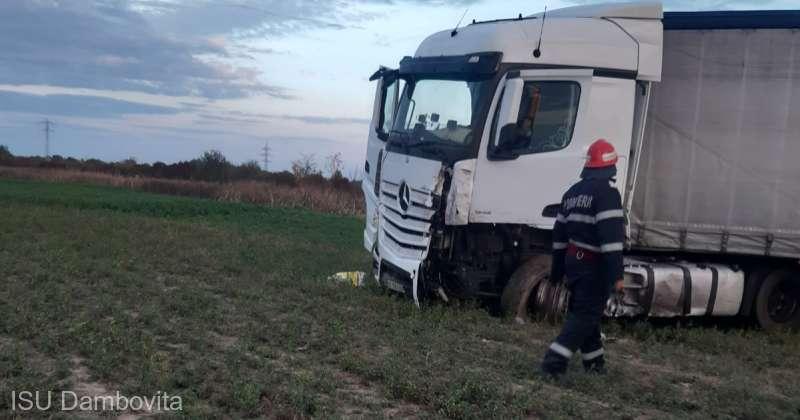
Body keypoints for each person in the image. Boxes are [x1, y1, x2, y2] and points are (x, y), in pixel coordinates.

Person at [540, 139, 626, 378]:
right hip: (594, 267)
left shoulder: (571, 194)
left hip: (573, 263)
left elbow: (559, 238)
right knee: (585, 316)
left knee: (588, 314)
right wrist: (617, 276)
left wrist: (557, 272)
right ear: (611, 167)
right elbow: (611, 241)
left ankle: (595, 366)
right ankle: (553, 363)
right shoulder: (608, 194)